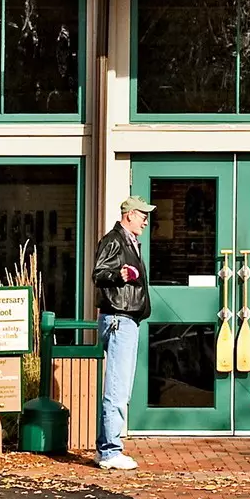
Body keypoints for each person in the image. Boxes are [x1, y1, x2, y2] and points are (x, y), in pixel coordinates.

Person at [92, 195, 153, 471]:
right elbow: (99, 273)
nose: (146, 220)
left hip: (125, 319)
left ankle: (106, 446)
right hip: (119, 318)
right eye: (143, 215)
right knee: (117, 389)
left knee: (120, 387)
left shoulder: (128, 242)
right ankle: (110, 451)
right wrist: (121, 275)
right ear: (129, 214)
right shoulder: (114, 240)